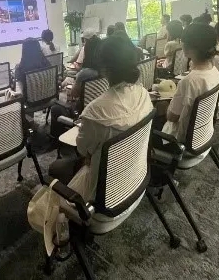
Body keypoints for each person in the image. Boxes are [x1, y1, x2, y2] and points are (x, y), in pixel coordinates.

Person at [48, 34, 153, 199]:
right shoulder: (144, 94)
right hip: (136, 179)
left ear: (104, 69)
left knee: (55, 168)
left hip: (103, 194)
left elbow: (83, 150)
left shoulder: (96, 111)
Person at [152, 23, 219, 145]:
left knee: (152, 118)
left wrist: (165, 107)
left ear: (188, 48)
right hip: (204, 134)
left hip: (180, 141)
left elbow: (172, 117)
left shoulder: (189, 81)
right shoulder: (214, 71)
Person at [51, 36, 102, 137]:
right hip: (99, 110)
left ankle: (57, 140)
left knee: (55, 108)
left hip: (82, 113)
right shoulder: (105, 71)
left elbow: (74, 94)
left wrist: (71, 85)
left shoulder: (84, 74)